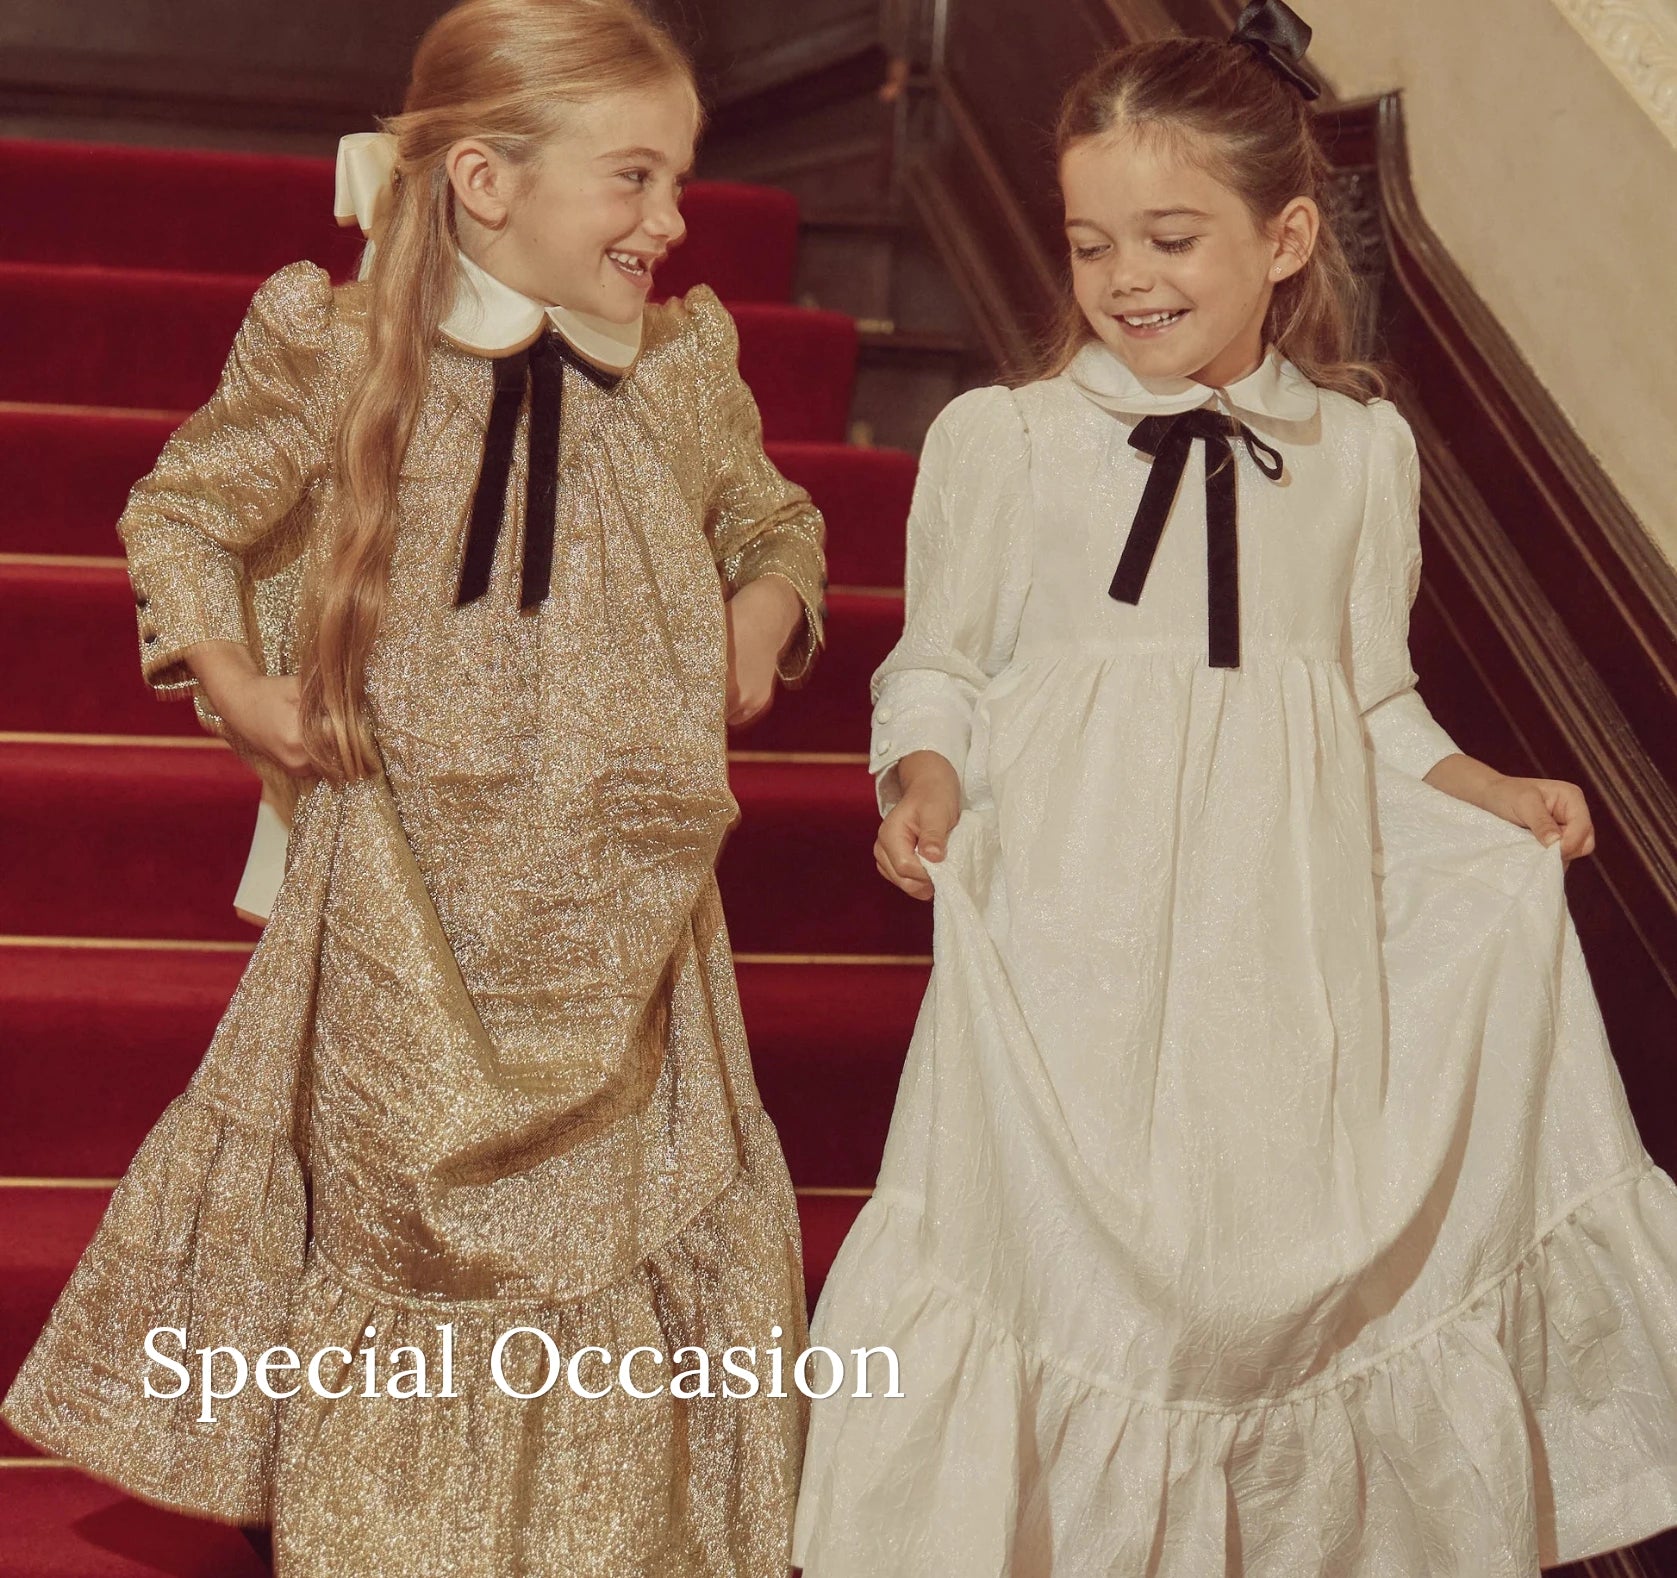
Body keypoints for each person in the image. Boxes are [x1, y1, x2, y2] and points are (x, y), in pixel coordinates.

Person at [790, 4, 1677, 1573]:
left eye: (1170, 237)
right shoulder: (1004, 442)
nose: (1124, 276)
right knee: (1077, 1268)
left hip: (1278, 935)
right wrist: (924, 772)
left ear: (1279, 238)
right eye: (1087, 242)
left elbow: (1369, 700)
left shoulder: (1356, 452)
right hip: (1072, 928)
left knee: (1261, 1269)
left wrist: (1488, 784)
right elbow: (939, 665)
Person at [0, 2, 827, 1574]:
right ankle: (393, 1530)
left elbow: (773, 519)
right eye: (635, 178)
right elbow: (179, 516)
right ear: (483, 181)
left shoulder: (679, 363)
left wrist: (762, 606)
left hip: (630, 899)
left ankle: (599, 1531)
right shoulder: (336, 342)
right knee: (407, 1210)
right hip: (407, 886)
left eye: (681, 182)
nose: (669, 221)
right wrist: (241, 683)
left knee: (621, 1213)